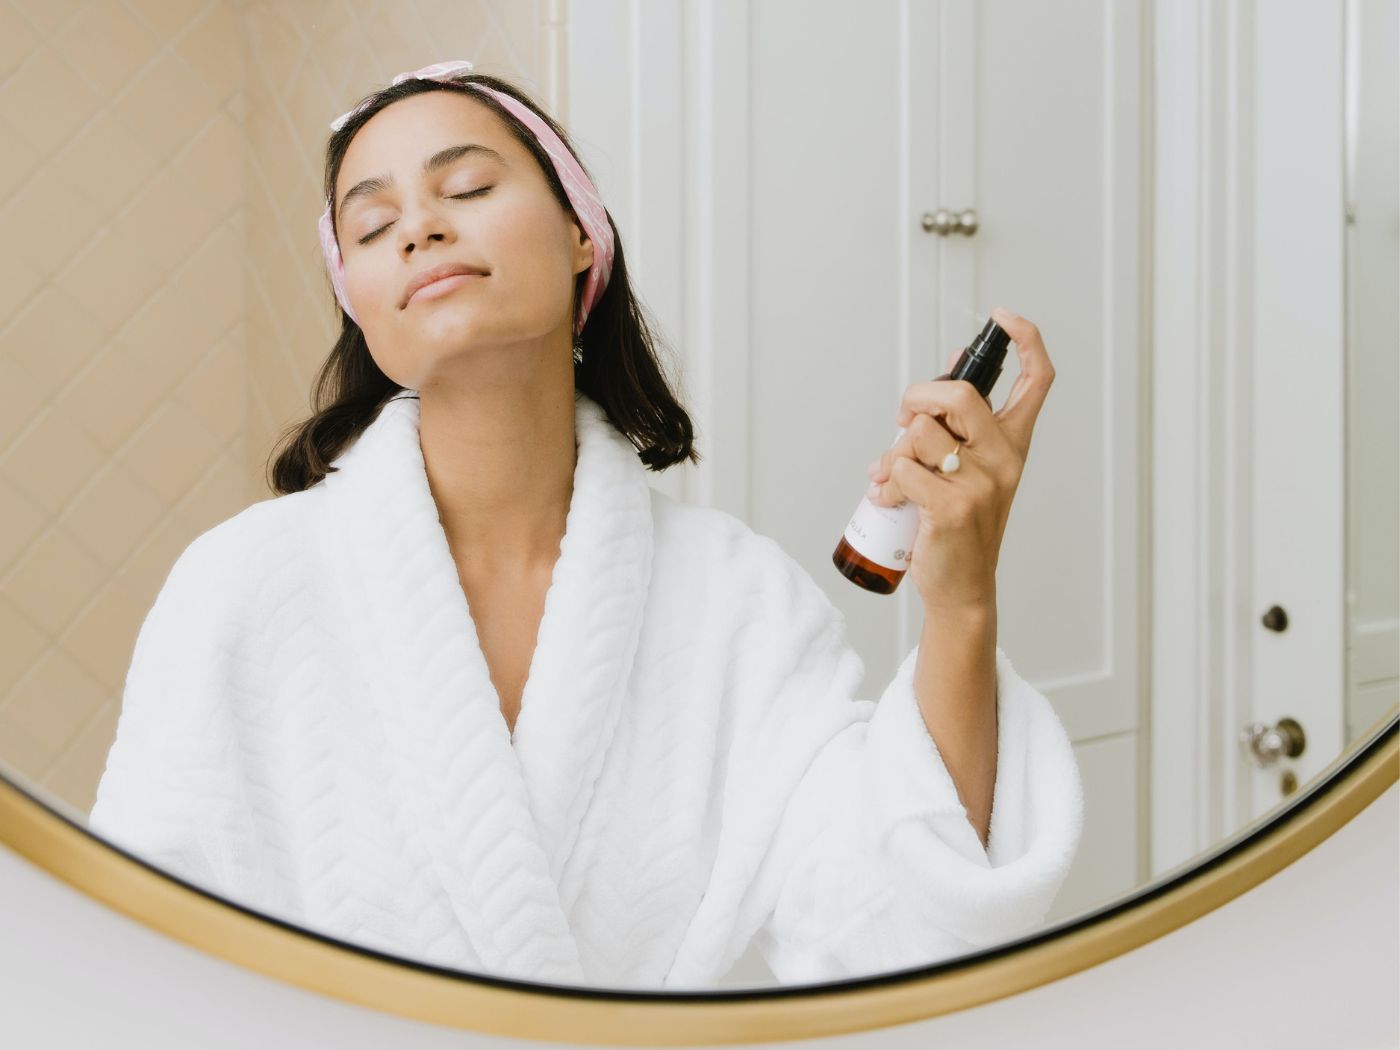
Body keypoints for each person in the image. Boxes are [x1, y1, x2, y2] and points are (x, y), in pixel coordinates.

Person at [87, 62, 1084, 990]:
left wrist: (959, 600)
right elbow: (138, 972)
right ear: (358, 304)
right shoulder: (239, 588)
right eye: (372, 221)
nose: (420, 228)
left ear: (581, 236)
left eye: (467, 189)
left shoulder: (737, 602)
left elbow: (896, 930)